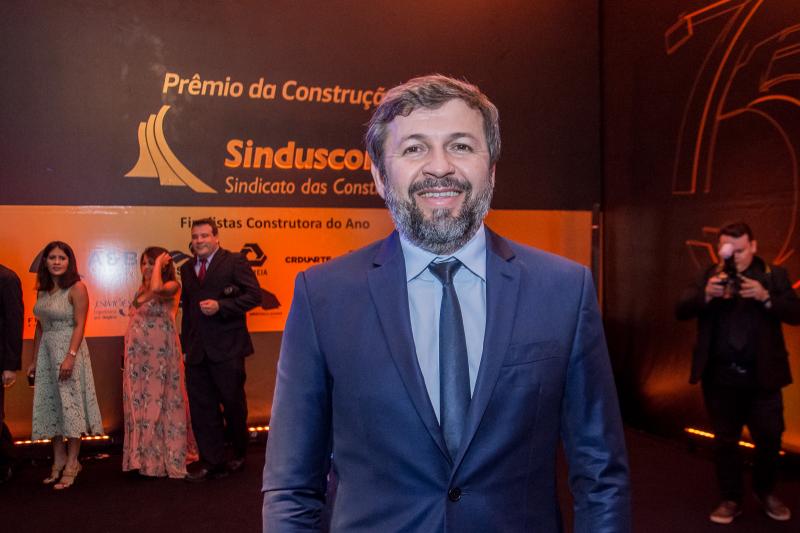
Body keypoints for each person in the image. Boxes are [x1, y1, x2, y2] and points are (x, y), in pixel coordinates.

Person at [262, 75, 630, 532]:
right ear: (379, 176)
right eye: (414, 148)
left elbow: (601, 475)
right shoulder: (322, 295)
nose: (440, 167)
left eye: (460, 146)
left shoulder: (563, 290)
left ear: (491, 170)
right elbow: (291, 485)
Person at [676, 222, 800, 524]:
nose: (735, 257)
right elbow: (680, 309)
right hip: (720, 380)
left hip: (763, 379)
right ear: (721, 249)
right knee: (725, 442)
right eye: (728, 250)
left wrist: (765, 297)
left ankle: (764, 491)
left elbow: (796, 313)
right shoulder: (709, 275)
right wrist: (706, 295)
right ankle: (731, 498)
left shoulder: (774, 275)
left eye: (741, 251)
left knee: (770, 439)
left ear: (753, 247)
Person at [180, 218, 261, 481]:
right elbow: (188, 312)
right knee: (203, 409)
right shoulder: (187, 269)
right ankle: (212, 462)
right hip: (197, 351)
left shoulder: (234, 261)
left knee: (233, 404)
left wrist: (221, 306)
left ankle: (239, 453)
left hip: (228, 348)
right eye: (195, 236)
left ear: (216, 237)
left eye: (204, 235)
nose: (199, 240)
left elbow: (254, 296)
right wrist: (185, 347)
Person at [28, 241, 103, 490]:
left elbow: (80, 325)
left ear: (69, 262)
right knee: (52, 407)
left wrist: (70, 356)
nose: (57, 262)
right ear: (45, 262)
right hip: (46, 353)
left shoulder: (77, 288)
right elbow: (40, 327)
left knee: (71, 408)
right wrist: (34, 360)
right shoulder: (42, 290)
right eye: (52, 257)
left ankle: (72, 463)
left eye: (62, 258)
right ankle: (58, 460)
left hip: (70, 350)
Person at [122, 247, 197, 478]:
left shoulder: (172, 286)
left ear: (163, 266)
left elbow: (157, 289)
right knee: (141, 402)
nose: (146, 267)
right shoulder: (141, 289)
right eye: (144, 263)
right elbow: (136, 310)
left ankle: (164, 457)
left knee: (162, 400)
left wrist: (158, 267)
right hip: (138, 355)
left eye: (151, 263)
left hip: (161, 354)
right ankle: (143, 459)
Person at [0, 264, 23, 484]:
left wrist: (10, 365)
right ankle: (8, 458)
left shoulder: (6, 278)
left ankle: (5, 464)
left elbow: (14, 323)